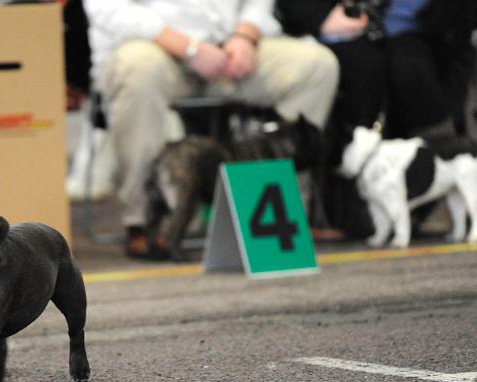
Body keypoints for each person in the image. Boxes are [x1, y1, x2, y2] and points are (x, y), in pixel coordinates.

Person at [83, 0, 340, 260]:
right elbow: (110, 10)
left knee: (318, 67)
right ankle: (145, 221)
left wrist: (244, 36)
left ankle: (282, 211)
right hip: (152, 48)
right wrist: (190, 49)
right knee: (137, 70)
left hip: (228, 48)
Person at [277, 0, 477, 237]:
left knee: (411, 67)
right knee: (366, 69)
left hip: (423, 31)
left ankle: (438, 167)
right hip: (337, 30)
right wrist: (320, 18)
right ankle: (357, 199)